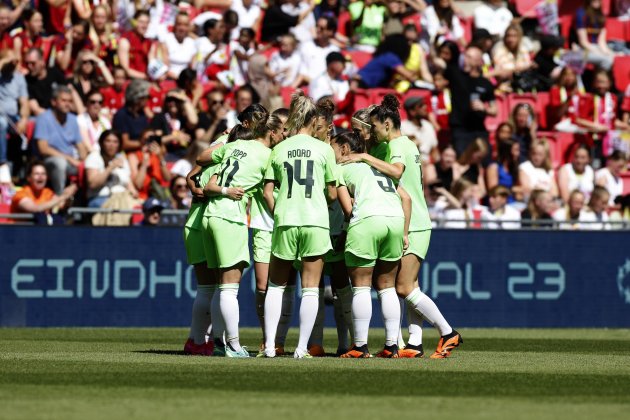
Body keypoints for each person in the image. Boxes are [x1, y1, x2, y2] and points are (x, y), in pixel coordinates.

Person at [340, 95, 462, 359]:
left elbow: (396, 172)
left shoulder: (395, 146)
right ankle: (415, 343)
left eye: (370, 127)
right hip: (414, 219)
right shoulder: (406, 143)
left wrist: (362, 156)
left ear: (385, 124)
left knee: (403, 288)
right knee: (410, 287)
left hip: (412, 221)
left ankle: (447, 332)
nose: (368, 133)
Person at [259, 92, 338, 359]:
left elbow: (267, 191)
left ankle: (270, 345)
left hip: (286, 220)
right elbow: (333, 193)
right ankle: (302, 348)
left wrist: (279, 212)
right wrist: (319, 202)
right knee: (311, 287)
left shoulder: (280, 148)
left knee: (277, 286)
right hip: (315, 221)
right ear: (313, 120)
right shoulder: (324, 149)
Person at [201, 106, 273, 358]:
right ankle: (233, 344)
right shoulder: (268, 156)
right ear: (271, 133)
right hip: (230, 217)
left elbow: (202, 164)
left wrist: (221, 189)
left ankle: (219, 344)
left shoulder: (232, 146)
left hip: (210, 216)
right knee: (230, 288)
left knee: (222, 286)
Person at [332, 131, 411, 358]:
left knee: (361, 286)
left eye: (333, 147)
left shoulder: (340, 168)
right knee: (387, 286)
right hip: (395, 221)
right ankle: (392, 346)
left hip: (367, 221)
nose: (331, 152)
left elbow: (347, 210)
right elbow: (406, 198)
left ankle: (359, 346)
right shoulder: (379, 167)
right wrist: (405, 233)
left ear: (345, 149)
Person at [436, 45, 497, 157]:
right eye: (465, 56)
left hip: (479, 129)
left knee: (487, 162)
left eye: (469, 57)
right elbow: (438, 61)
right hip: (460, 129)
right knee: (462, 160)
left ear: (479, 61)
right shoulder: (455, 73)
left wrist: (484, 108)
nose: (465, 59)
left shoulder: (486, 83)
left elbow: (494, 110)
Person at [35, 85, 87, 195]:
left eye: (70, 101)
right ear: (54, 102)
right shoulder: (43, 118)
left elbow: (80, 145)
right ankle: (60, 197)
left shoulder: (73, 119)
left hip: (71, 162)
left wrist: (85, 160)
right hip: (49, 161)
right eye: (63, 100)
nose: (67, 104)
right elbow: (43, 148)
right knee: (60, 163)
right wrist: (69, 158)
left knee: (92, 164)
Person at [84, 130, 136, 209]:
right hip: (100, 198)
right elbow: (93, 184)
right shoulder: (94, 157)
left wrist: (134, 194)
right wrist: (110, 167)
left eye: (115, 142)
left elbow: (129, 185)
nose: (111, 145)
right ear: (101, 143)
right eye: (108, 141)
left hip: (123, 197)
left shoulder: (121, 159)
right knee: (122, 208)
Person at [10, 161, 77, 217]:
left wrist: (69, 197)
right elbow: (35, 209)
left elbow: (60, 204)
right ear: (29, 178)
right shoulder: (20, 194)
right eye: (37, 174)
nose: (41, 176)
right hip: (19, 231)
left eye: (43, 174)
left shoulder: (48, 192)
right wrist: (63, 196)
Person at [0, 49, 29, 170]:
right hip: (1, 116)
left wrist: (24, 118)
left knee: (33, 124)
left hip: (13, 116)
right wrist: (4, 62)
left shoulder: (18, 77)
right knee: (1, 123)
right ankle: (2, 162)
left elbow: (24, 101)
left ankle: (26, 167)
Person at [149, 89, 199, 159]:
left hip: (186, 154)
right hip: (168, 154)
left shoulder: (184, 118)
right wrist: (174, 137)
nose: (173, 103)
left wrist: (184, 99)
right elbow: (157, 140)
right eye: (169, 100)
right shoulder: (160, 117)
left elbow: (193, 121)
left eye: (176, 100)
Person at [571, 0, 615, 71]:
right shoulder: (581, 13)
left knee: (614, 58)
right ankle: (599, 80)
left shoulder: (601, 15)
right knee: (607, 60)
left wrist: (611, 53)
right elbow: (583, 43)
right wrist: (599, 52)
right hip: (582, 50)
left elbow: (601, 43)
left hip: (596, 48)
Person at [24, 48, 67, 116]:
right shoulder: (26, 81)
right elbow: (36, 109)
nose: (29, 66)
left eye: (33, 63)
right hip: (42, 118)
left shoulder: (55, 73)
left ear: (42, 61)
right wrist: (55, 118)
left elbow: (68, 93)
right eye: (27, 63)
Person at [491, 23, 534, 92]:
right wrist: (520, 69)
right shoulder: (499, 48)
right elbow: (502, 72)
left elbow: (527, 64)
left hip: (523, 85)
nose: (511, 39)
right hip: (504, 86)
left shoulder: (522, 48)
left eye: (514, 36)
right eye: (508, 36)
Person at [112, 79, 150, 152]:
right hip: (128, 154)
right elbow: (124, 143)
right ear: (138, 98)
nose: (148, 100)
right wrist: (145, 144)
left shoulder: (141, 113)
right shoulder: (121, 115)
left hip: (143, 151)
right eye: (146, 97)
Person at [299, 15, 340, 83]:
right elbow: (302, 72)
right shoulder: (306, 46)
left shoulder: (335, 50)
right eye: (317, 26)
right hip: (307, 86)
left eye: (322, 28)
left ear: (330, 32)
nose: (318, 30)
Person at [118, 10, 157, 79]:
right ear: (134, 22)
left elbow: (152, 65)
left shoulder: (149, 42)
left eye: (147, 23)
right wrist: (146, 77)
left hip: (146, 79)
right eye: (141, 22)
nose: (144, 26)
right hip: (131, 81)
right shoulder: (125, 40)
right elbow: (126, 70)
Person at [400, 96, 438, 164]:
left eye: (424, 104)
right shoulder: (402, 127)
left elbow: (434, 150)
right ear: (412, 112)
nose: (425, 107)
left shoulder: (428, 125)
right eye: (421, 106)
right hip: (411, 162)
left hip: (428, 164)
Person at [162, 13, 197, 80]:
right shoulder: (167, 40)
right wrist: (178, 79)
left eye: (185, 25)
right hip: (169, 79)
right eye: (179, 24)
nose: (182, 28)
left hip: (187, 80)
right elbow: (165, 67)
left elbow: (193, 66)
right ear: (175, 25)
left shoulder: (192, 43)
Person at [550, 67, 584, 133]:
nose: (569, 77)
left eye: (572, 75)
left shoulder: (579, 93)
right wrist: (569, 98)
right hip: (560, 125)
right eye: (566, 75)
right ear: (561, 77)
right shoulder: (555, 90)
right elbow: (558, 114)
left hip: (577, 124)